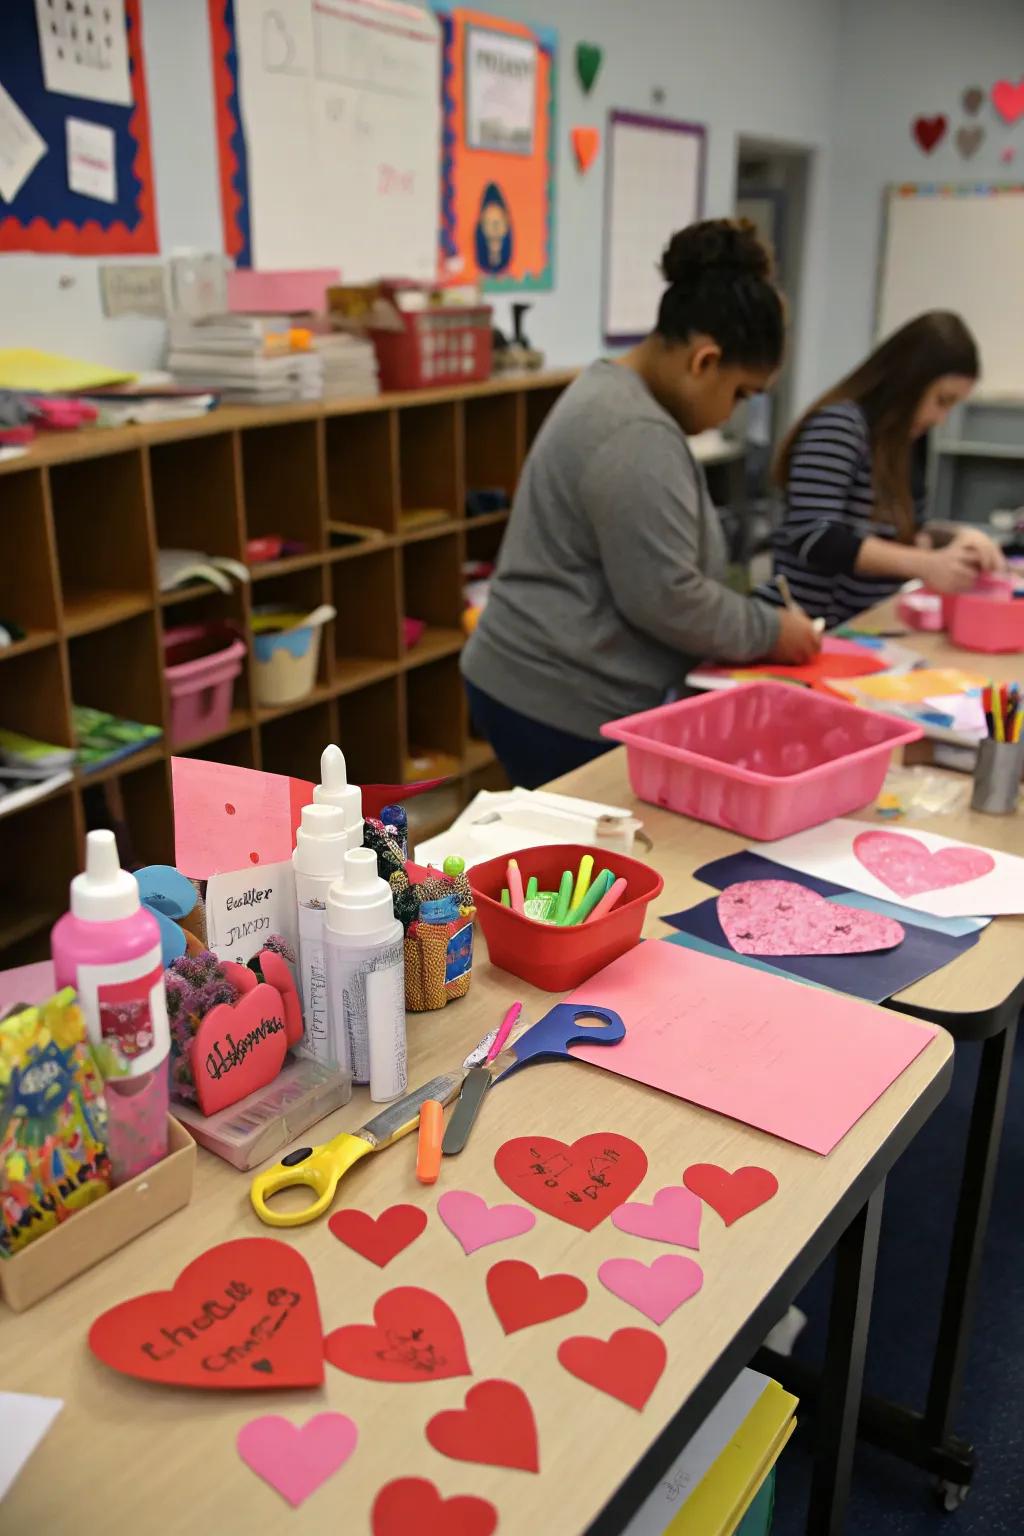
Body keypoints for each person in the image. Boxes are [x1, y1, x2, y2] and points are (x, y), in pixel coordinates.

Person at [461, 218, 820, 789]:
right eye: (740, 394)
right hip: (555, 698)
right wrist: (770, 629)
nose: (733, 414)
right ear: (704, 361)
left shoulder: (617, 392)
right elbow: (667, 597)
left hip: (536, 679)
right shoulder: (635, 431)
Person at [759, 311, 1005, 627]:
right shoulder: (839, 426)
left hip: (862, 627)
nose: (940, 418)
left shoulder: (904, 442)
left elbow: (907, 536)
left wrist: (960, 538)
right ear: (907, 381)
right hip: (807, 628)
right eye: (941, 400)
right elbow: (814, 536)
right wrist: (927, 565)